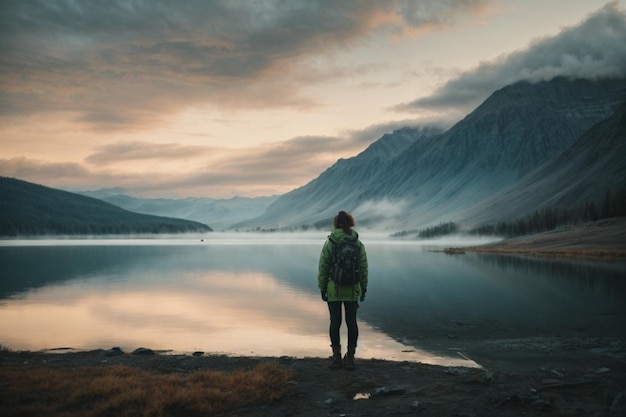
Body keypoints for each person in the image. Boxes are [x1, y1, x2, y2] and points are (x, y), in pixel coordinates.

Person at [318, 210, 368, 370]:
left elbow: (323, 267)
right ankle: (351, 358)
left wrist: (322, 287)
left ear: (335, 224)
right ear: (350, 223)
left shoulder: (330, 242)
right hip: (353, 288)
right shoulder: (358, 243)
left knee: (335, 322)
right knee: (352, 322)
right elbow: (363, 268)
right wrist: (364, 287)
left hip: (334, 289)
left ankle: (336, 358)